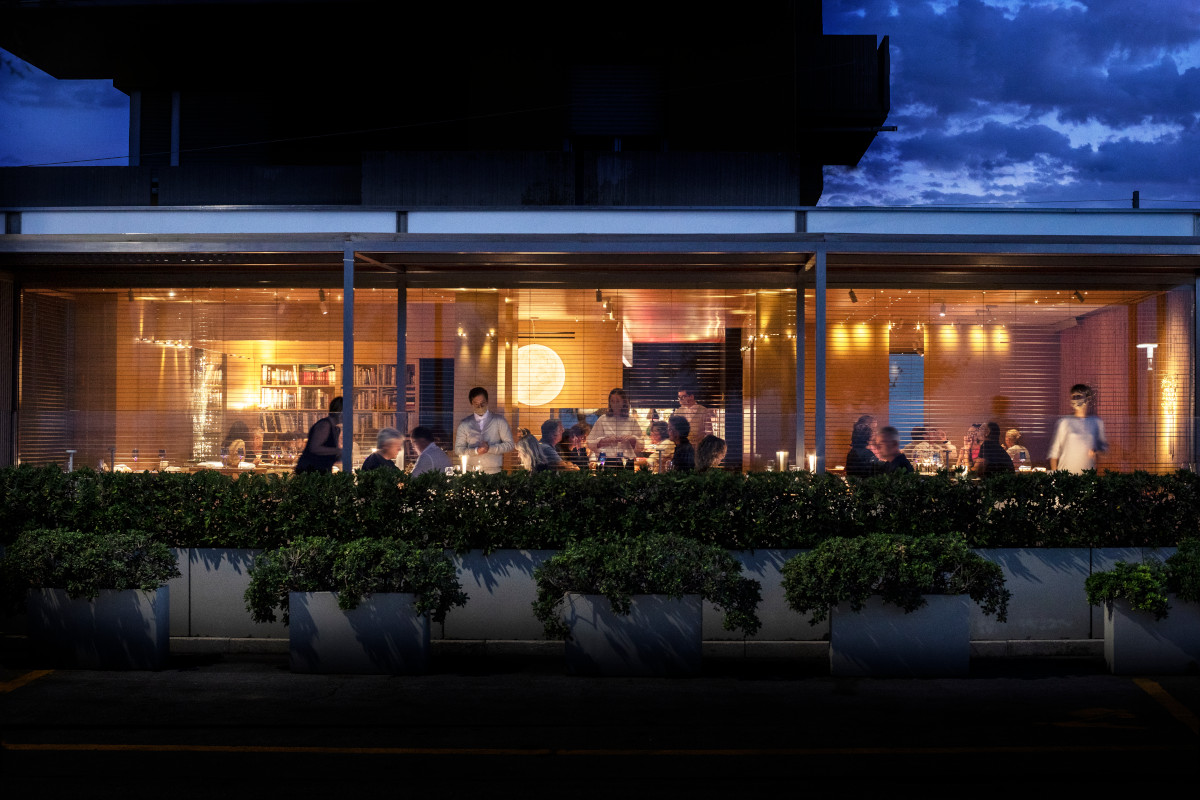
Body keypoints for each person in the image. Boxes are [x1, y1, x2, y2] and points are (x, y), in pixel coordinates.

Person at [453, 386, 514, 474]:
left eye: (483, 403)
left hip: (494, 472)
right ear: (471, 404)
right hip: (471, 472)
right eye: (476, 404)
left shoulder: (499, 421)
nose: (480, 406)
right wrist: (476, 451)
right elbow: (458, 449)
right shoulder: (464, 424)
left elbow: (510, 444)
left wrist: (490, 449)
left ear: (487, 401)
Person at [1048, 383, 1107, 473]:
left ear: (1087, 399)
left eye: (1078, 396)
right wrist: (1056, 477)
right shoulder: (1064, 422)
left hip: (1087, 476)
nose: (1075, 400)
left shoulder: (1096, 422)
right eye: (1073, 397)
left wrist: (1096, 451)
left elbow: (1103, 449)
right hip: (1066, 476)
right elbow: (1054, 453)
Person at [589, 388, 643, 466]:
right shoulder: (602, 419)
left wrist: (632, 439)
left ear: (624, 402)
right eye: (612, 401)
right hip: (608, 461)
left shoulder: (631, 420)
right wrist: (607, 440)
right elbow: (591, 443)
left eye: (618, 401)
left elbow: (640, 446)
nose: (615, 404)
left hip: (627, 461)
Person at [295, 396, 343, 473]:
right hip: (311, 472)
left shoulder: (336, 429)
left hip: (321, 471)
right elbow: (314, 448)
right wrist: (338, 451)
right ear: (340, 413)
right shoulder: (325, 425)